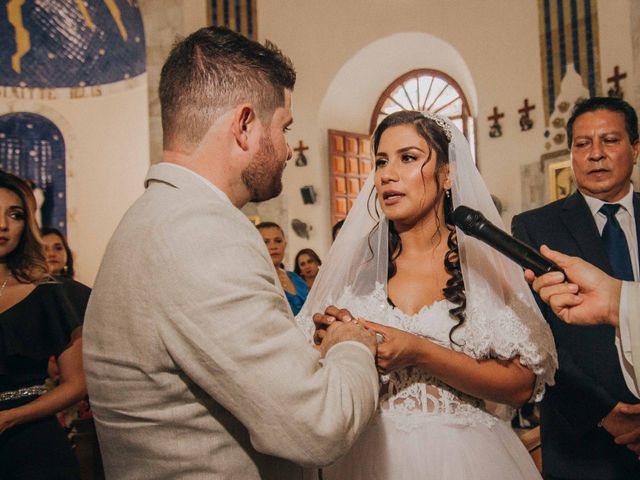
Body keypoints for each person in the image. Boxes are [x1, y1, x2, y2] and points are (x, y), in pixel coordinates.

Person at [82, 26, 379, 480]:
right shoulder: (200, 232)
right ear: (245, 126)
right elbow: (319, 426)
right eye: (284, 128)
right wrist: (352, 345)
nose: (286, 151)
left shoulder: (151, 216)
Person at [299, 110, 557, 479]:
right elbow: (310, 363)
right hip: (367, 455)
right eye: (381, 161)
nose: (388, 174)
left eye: (408, 158)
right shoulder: (359, 265)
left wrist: (420, 352)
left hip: (464, 457)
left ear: (447, 174)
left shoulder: (483, 263)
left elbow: (521, 386)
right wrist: (332, 342)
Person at [512, 96, 640, 479]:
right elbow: (535, 336)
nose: (595, 154)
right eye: (582, 144)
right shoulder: (536, 228)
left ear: (635, 148)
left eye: (610, 141)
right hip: (583, 439)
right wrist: (603, 412)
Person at [0, 171, 86, 479]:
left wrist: (10, 417)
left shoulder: (48, 294)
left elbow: (76, 383)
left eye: (15, 214)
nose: (3, 225)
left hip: (34, 446)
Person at [257, 221, 309, 315]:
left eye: (278, 241)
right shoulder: (256, 279)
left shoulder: (295, 278)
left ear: (285, 244)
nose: (273, 247)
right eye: (265, 242)